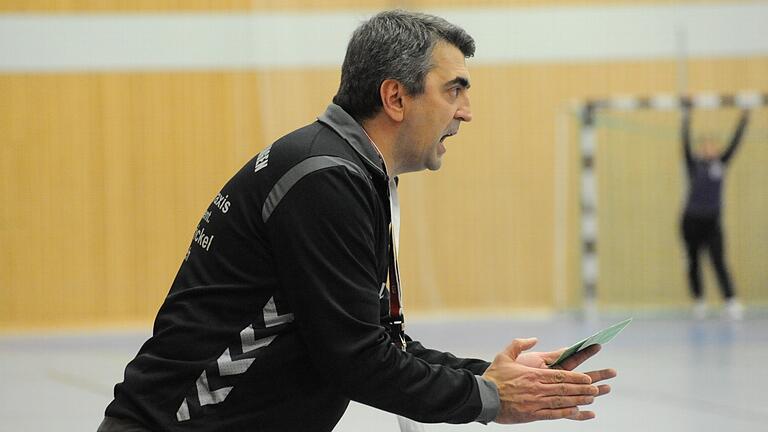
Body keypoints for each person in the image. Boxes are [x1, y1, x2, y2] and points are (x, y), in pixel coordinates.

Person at [99, 10, 616, 432]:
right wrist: (490, 399)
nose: (466, 111)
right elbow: (357, 360)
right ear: (395, 98)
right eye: (454, 90)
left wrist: (489, 375)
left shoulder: (347, 170)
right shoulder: (323, 177)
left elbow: (376, 342)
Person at [680, 98, 750, 320]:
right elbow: (684, 144)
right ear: (701, 149)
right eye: (705, 145)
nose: (709, 148)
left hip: (712, 221)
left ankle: (730, 300)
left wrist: (744, 118)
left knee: (718, 260)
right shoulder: (695, 164)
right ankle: (699, 301)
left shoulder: (721, 163)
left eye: (713, 145)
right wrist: (687, 115)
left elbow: (736, 143)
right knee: (694, 261)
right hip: (691, 220)